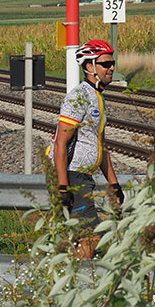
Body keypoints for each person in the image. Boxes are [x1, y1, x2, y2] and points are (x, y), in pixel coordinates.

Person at [47, 39, 124, 259]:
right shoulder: (78, 97)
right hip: (73, 177)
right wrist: (63, 187)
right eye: (106, 64)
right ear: (90, 67)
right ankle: (77, 285)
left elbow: (100, 146)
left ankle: (62, 280)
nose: (111, 68)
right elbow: (60, 143)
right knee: (90, 236)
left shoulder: (97, 96)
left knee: (74, 239)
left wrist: (114, 184)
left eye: (112, 63)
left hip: (84, 177)